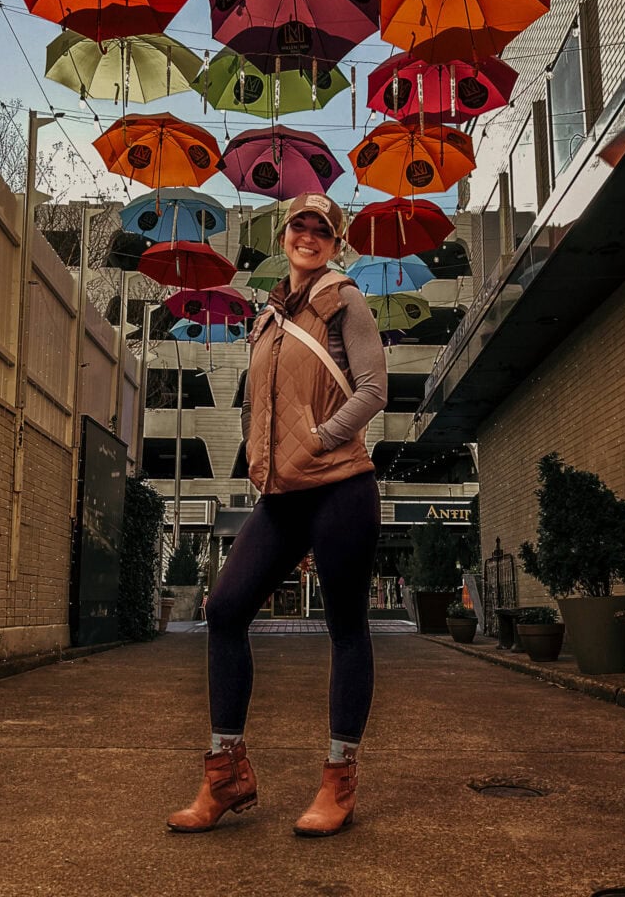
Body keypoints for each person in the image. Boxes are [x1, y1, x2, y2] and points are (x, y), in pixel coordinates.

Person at [167, 192, 387, 837]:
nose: (309, 236)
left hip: (341, 487)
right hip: (282, 496)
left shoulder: (346, 300)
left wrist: (322, 438)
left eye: (323, 229)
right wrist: (258, 461)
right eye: (300, 225)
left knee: (346, 627)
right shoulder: (267, 316)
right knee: (225, 610)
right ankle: (227, 773)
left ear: (336, 242)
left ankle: (339, 777)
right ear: (284, 234)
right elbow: (255, 403)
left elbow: (376, 388)